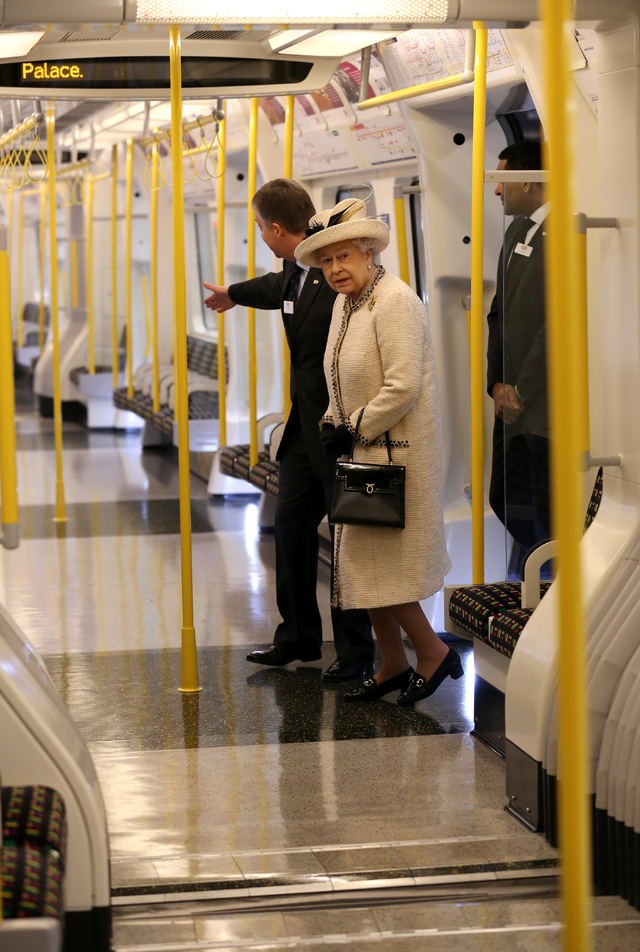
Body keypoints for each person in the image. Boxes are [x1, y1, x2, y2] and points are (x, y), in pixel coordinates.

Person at [203, 179, 374, 682]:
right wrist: (233, 294)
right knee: (291, 530)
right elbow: (280, 290)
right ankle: (297, 635)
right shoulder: (295, 270)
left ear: (276, 229)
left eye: (259, 228)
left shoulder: (337, 278)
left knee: (347, 545)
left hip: (340, 431)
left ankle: (356, 652)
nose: (259, 236)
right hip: (303, 432)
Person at [294, 198, 458, 707]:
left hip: (396, 455)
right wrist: (333, 426)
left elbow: (402, 385)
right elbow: (340, 377)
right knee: (360, 570)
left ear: (369, 253)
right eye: (326, 261)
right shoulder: (348, 303)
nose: (335, 269)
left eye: (344, 257)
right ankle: (392, 660)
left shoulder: (396, 301)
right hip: (363, 452)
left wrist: (354, 428)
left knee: (387, 568)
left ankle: (432, 653)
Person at [487, 141, 550, 569]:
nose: (496, 191)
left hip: (540, 403)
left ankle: (551, 589)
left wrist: (521, 390)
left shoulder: (565, 231)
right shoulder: (515, 232)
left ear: (526, 180)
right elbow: (498, 314)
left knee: (543, 509)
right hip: (505, 398)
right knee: (502, 498)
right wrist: (494, 383)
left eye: (501, 179)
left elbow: (558, 324)